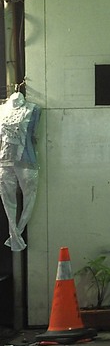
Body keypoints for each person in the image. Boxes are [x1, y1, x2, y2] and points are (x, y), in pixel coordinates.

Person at [0, 91, 41, 252]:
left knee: (30, 197)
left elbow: (34, 135)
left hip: (27, 162)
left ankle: (17, 233)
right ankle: (15, 236)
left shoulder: (34, 109)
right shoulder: (2, 109)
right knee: (7, 200)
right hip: (4, 162)